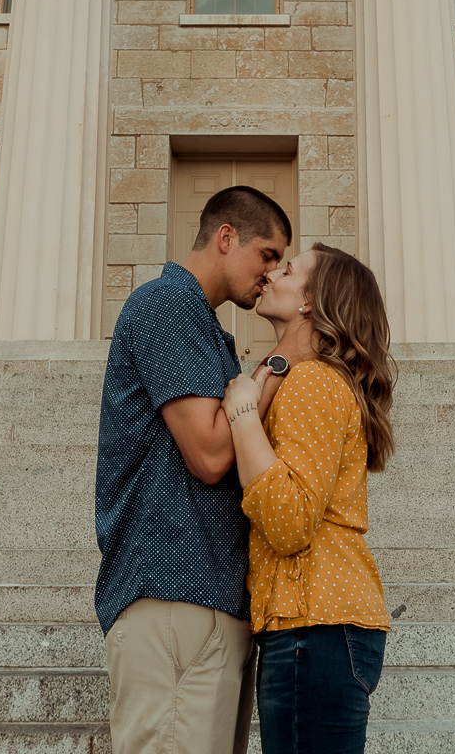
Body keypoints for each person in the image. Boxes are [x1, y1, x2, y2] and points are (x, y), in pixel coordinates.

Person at [95, 185, 292, 754]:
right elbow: (208, 454)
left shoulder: (206, 327)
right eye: (268, 254)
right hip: (174, 591)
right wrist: (282, 361)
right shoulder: (166, 303)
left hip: (206, 599)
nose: (272, 273)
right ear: (226, 239)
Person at [221, 243, 396, 754]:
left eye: (289, 269)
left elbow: (291, 521)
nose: (272, 273)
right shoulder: (309, 378)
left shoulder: (314, 383)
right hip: (318, 626)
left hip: (314, 625)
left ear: (310, 302)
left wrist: (241, 415)